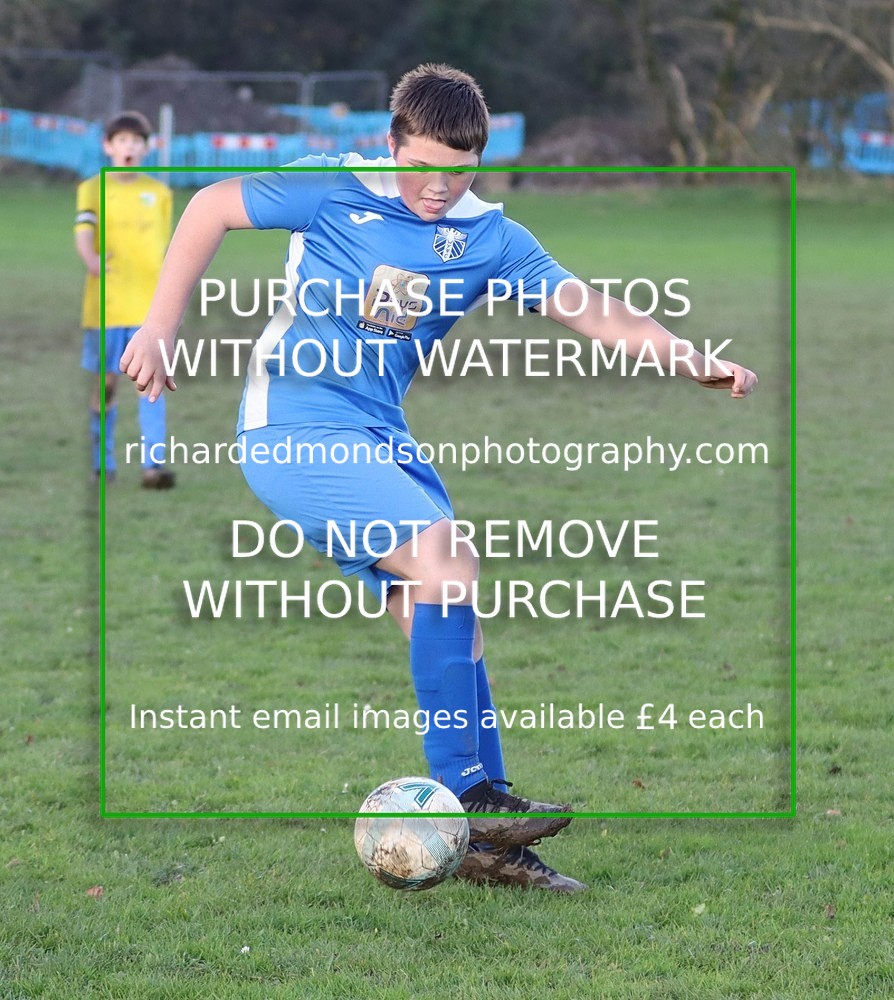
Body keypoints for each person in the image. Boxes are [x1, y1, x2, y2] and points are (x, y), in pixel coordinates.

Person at [120, 64, 758, 892]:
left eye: (459, 170)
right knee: (448, 563)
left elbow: (593, 307)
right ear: (392, 145)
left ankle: (491, 852)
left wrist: (689, 358)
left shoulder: (491, 237)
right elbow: (209, 206)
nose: (438, 185)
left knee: (452, 622)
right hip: (293, 427)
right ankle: (469, 793)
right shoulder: (334, 191)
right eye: (422, 164)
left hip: (381, 439)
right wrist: (161, 324)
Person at [75, 110, 175, 488]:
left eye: (137, 142)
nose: (130, 148)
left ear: (146, 149)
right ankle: (104, 463)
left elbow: (167, 251)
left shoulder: (161, 194)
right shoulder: (91, 188)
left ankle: (154, 466)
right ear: (108, 146)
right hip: (106, 306)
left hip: (150, 310)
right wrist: (92, 260)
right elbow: (84, 230)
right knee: (107, 386)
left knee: (152, 386)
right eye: (123, 141)